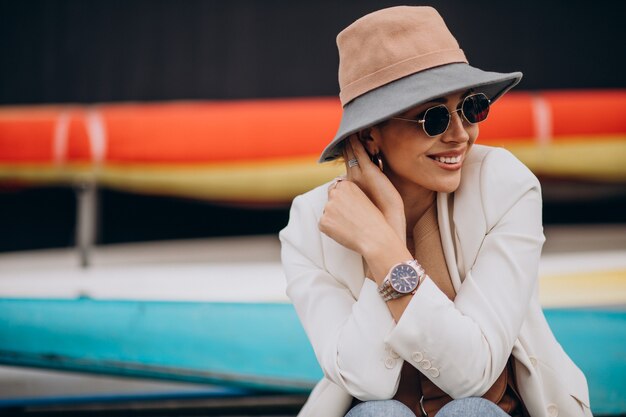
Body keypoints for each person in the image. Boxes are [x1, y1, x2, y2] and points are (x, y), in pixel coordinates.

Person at [279, 6, 591, 417]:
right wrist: (385, 224)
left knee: (469, 412)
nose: (460, 134)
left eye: (471, 107)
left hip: (492, 410)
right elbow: (366, 382)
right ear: (370, 135)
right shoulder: (311, 222)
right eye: (433, 117)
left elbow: (472, 377)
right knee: (378, 414)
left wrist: (383, 247)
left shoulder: (504, 185)